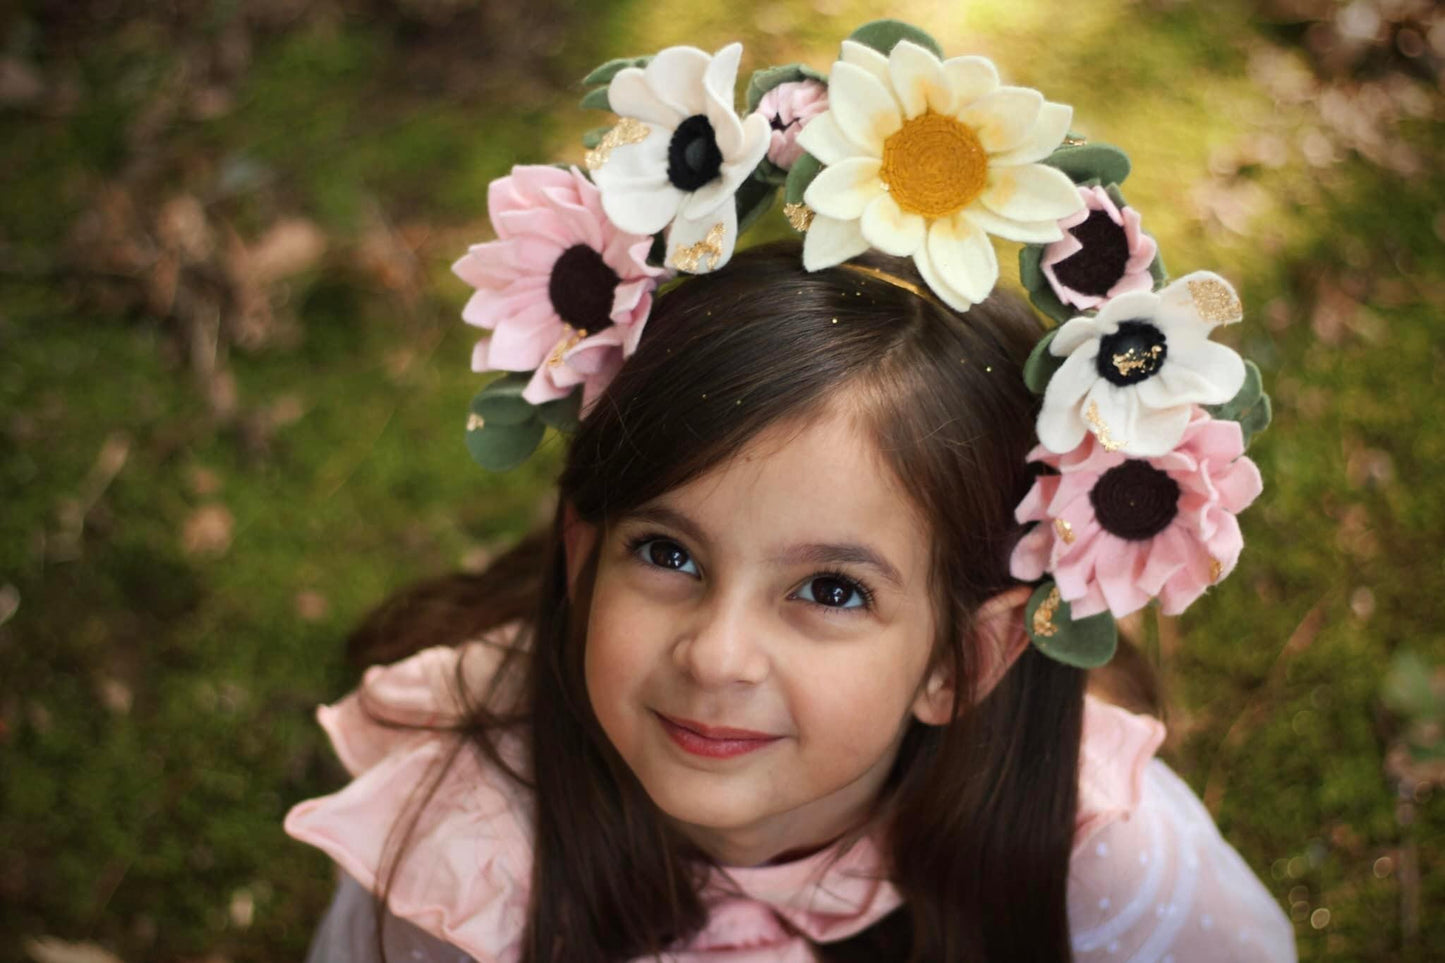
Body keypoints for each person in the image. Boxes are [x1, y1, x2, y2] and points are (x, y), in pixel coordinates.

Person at [284, 21, 1297, 963]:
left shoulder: (1107, 867)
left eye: (831, 590)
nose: (716, 656)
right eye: (667, 555)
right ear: (581, 552)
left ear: (963, 661)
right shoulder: (460, 847)